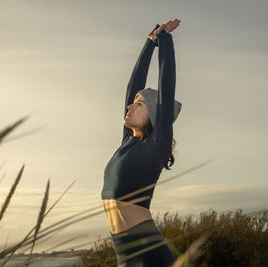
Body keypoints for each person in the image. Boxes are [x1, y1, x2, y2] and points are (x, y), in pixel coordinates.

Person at [101, 19, 182, 266]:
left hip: (148, 252)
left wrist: (165, 40)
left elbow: (166, 88)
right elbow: (132, 85)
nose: (129, 106)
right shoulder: (128, 142)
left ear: (155, 115)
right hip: (124, 252)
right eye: (133, 102)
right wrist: (150, 43)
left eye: (139, 104)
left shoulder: (157, 145)